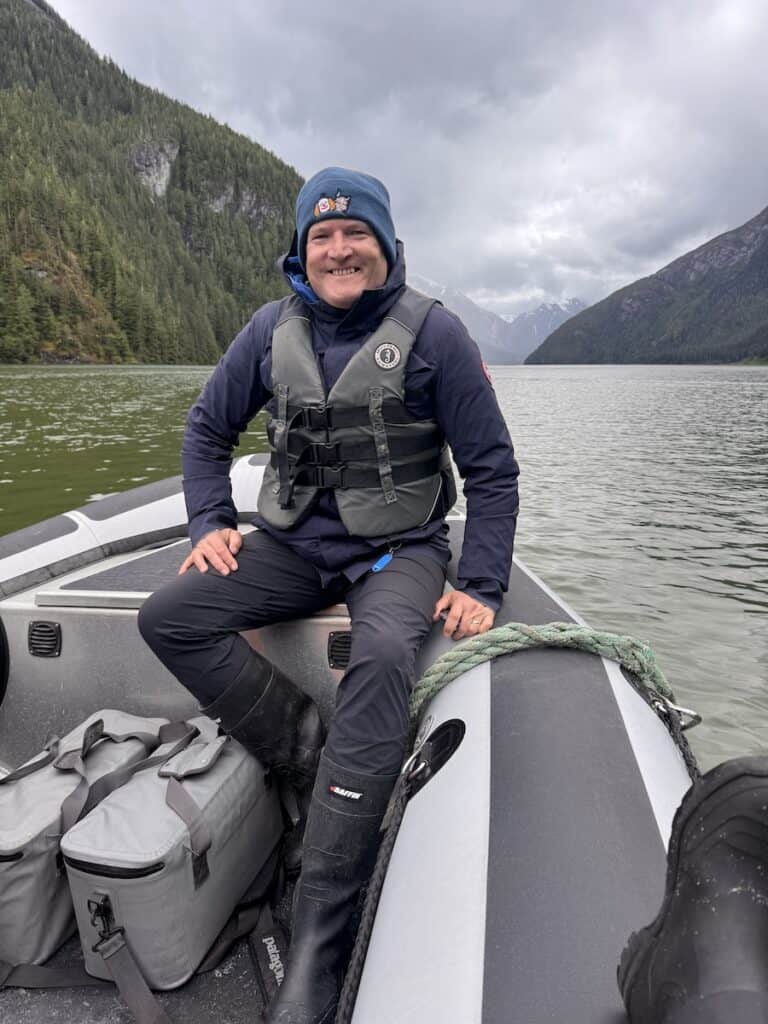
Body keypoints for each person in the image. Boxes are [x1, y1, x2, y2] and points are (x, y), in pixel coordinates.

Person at [138, 166, 520, 1023]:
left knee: (386, 651)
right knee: (169, 616)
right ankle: (310, 750)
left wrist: (484, 583)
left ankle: (319, 936)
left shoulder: (437, 336)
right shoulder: (270, 330)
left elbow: (494, 474)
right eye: (323, 236)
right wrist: (210, 522)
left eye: (357, 236)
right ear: (302, 250)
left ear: (385, 247)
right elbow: (206, 430)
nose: (340, 249)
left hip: (398, 549)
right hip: (293, 543)